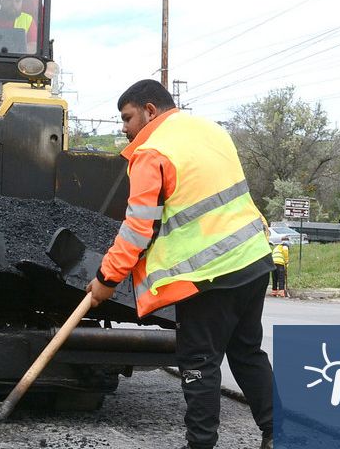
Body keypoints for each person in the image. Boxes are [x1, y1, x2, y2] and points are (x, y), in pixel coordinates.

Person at [86, 79, 275, 449]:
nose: (124, 128)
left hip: (208, 276)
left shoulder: (152, 151)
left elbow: (138, 229)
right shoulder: (211, 131)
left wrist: (106, 278)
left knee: (199, 364)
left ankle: (200, 444)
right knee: (247, 353)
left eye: (127, 118)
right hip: (253, 259)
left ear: (150, 110)